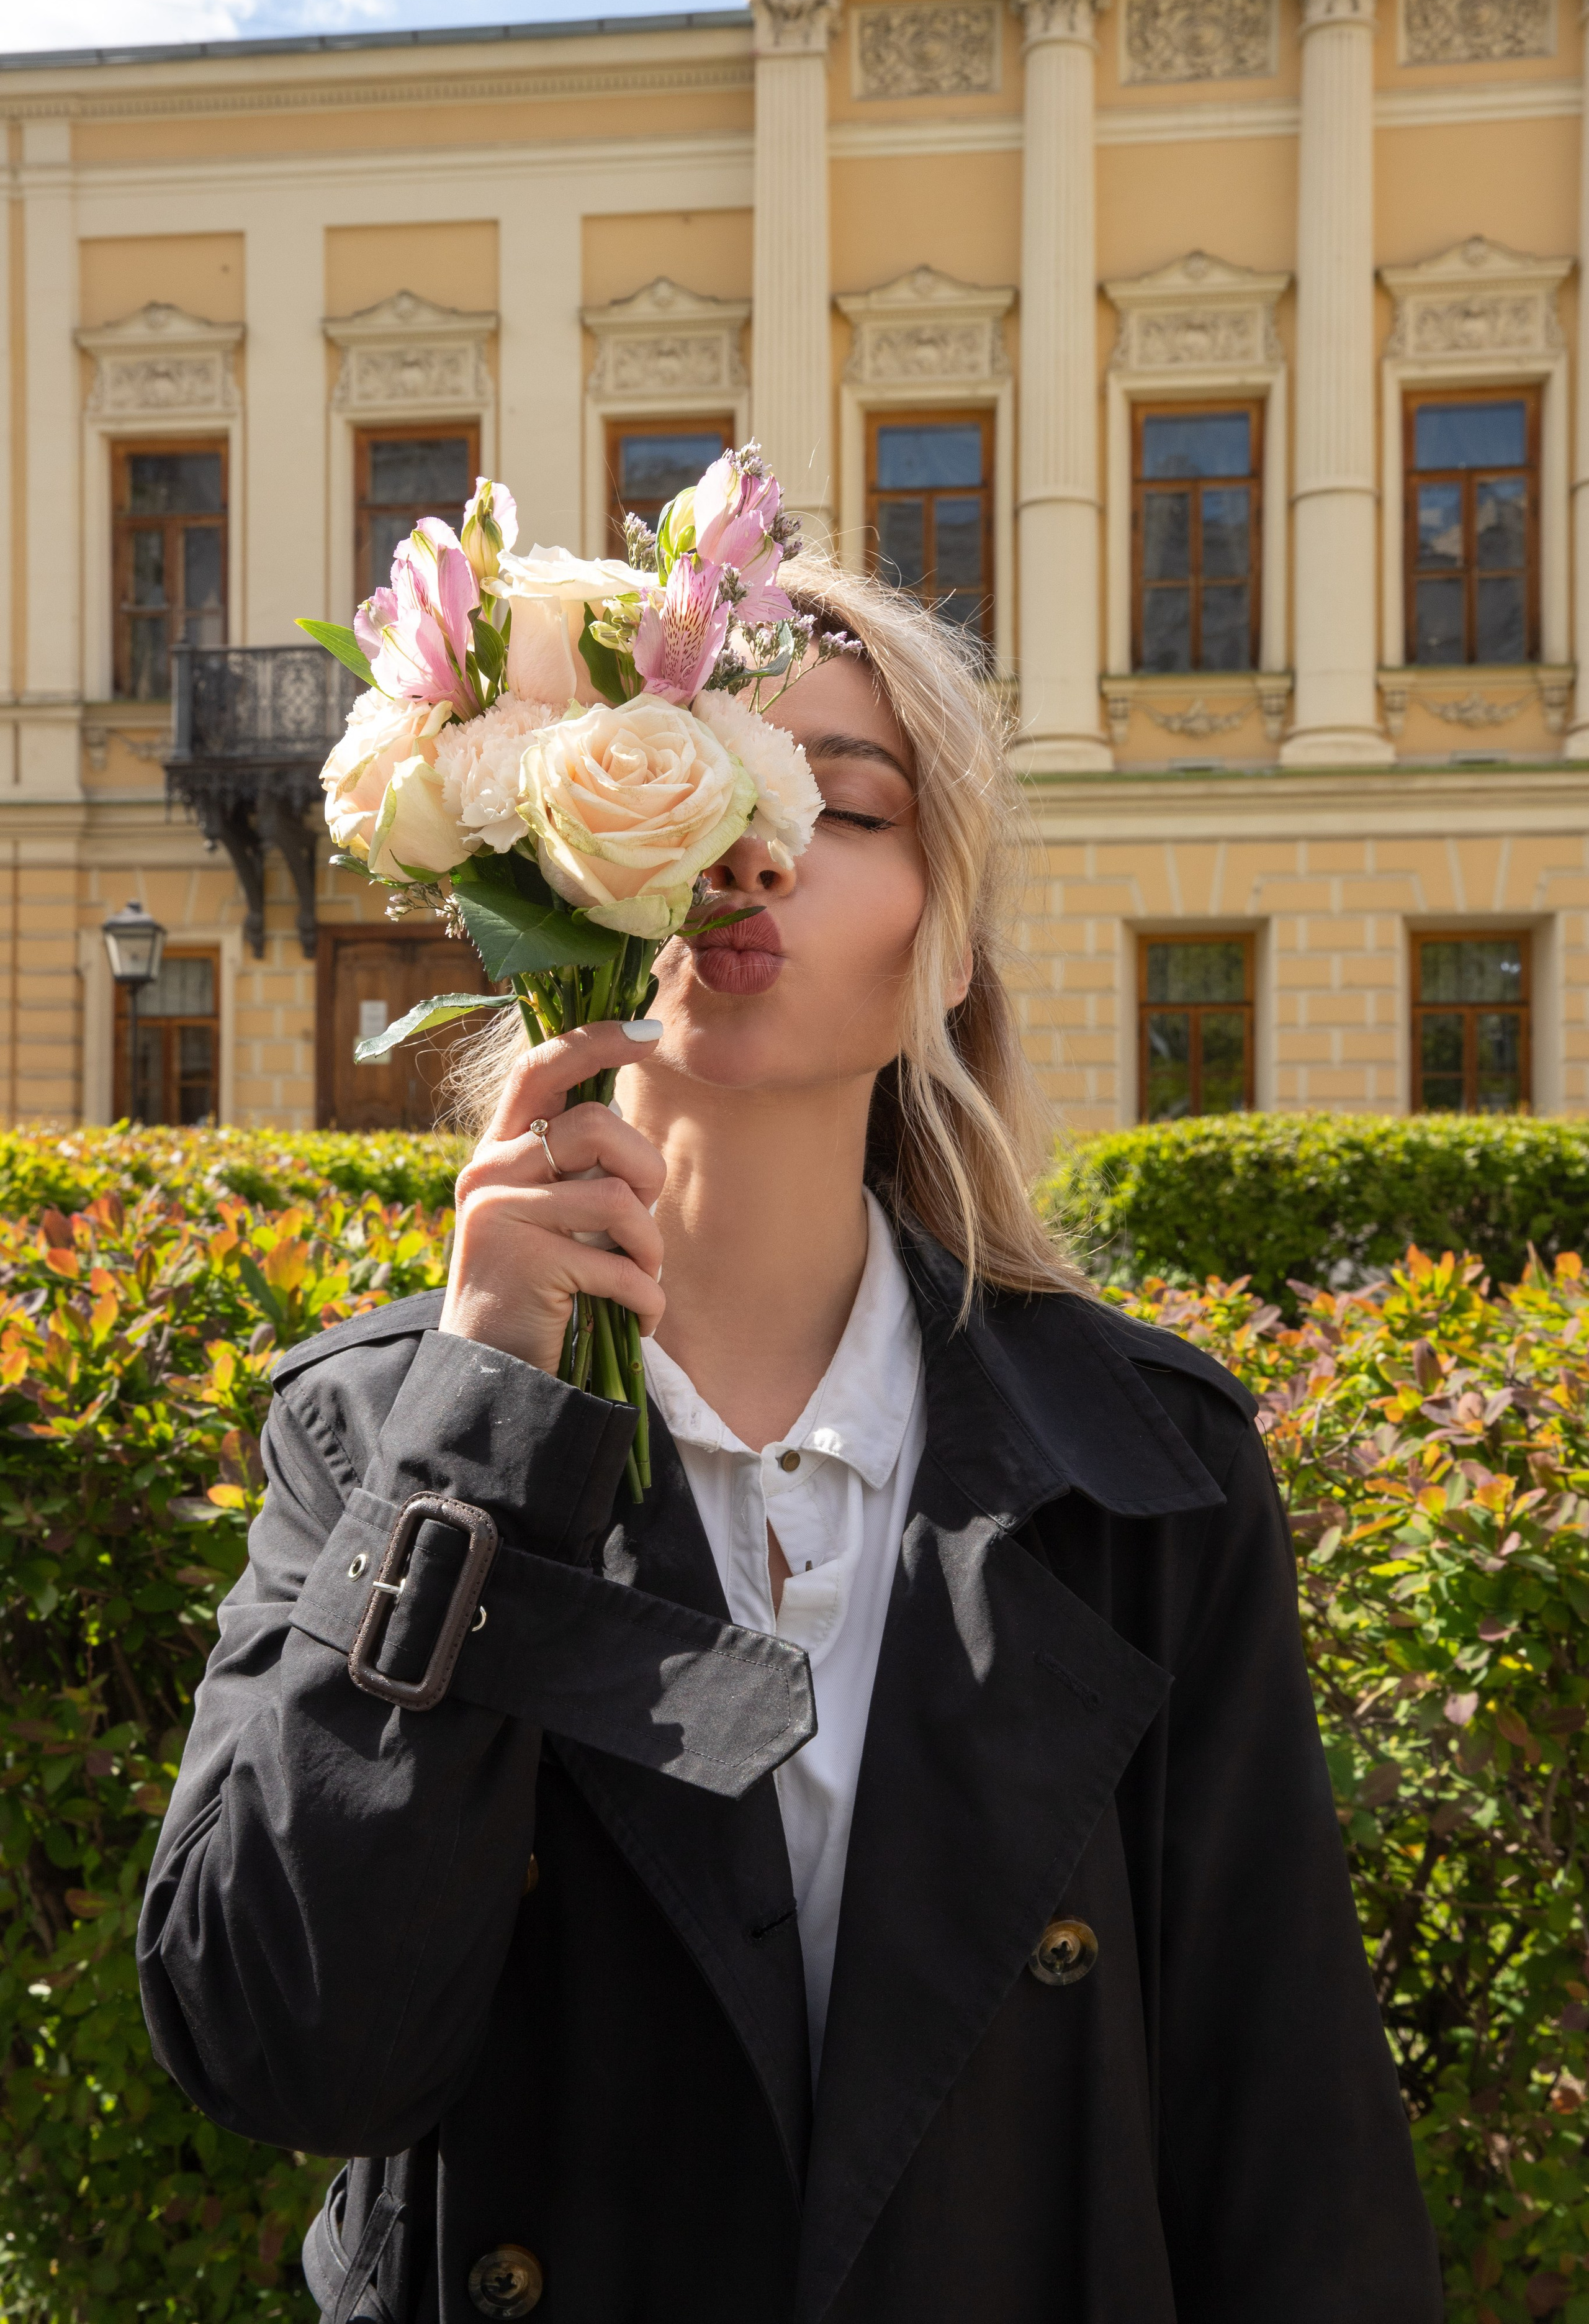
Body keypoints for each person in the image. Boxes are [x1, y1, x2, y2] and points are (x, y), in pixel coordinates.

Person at [138, 559, 1443, 2324]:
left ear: (951, 938)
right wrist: (480, 1433)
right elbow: (285, 2052)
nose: (756, 853)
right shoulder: (371, 1429)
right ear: (552, 873)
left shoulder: (1147, 1469)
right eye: (700, 765)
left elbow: (1289, 2142)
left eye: (840, 803)